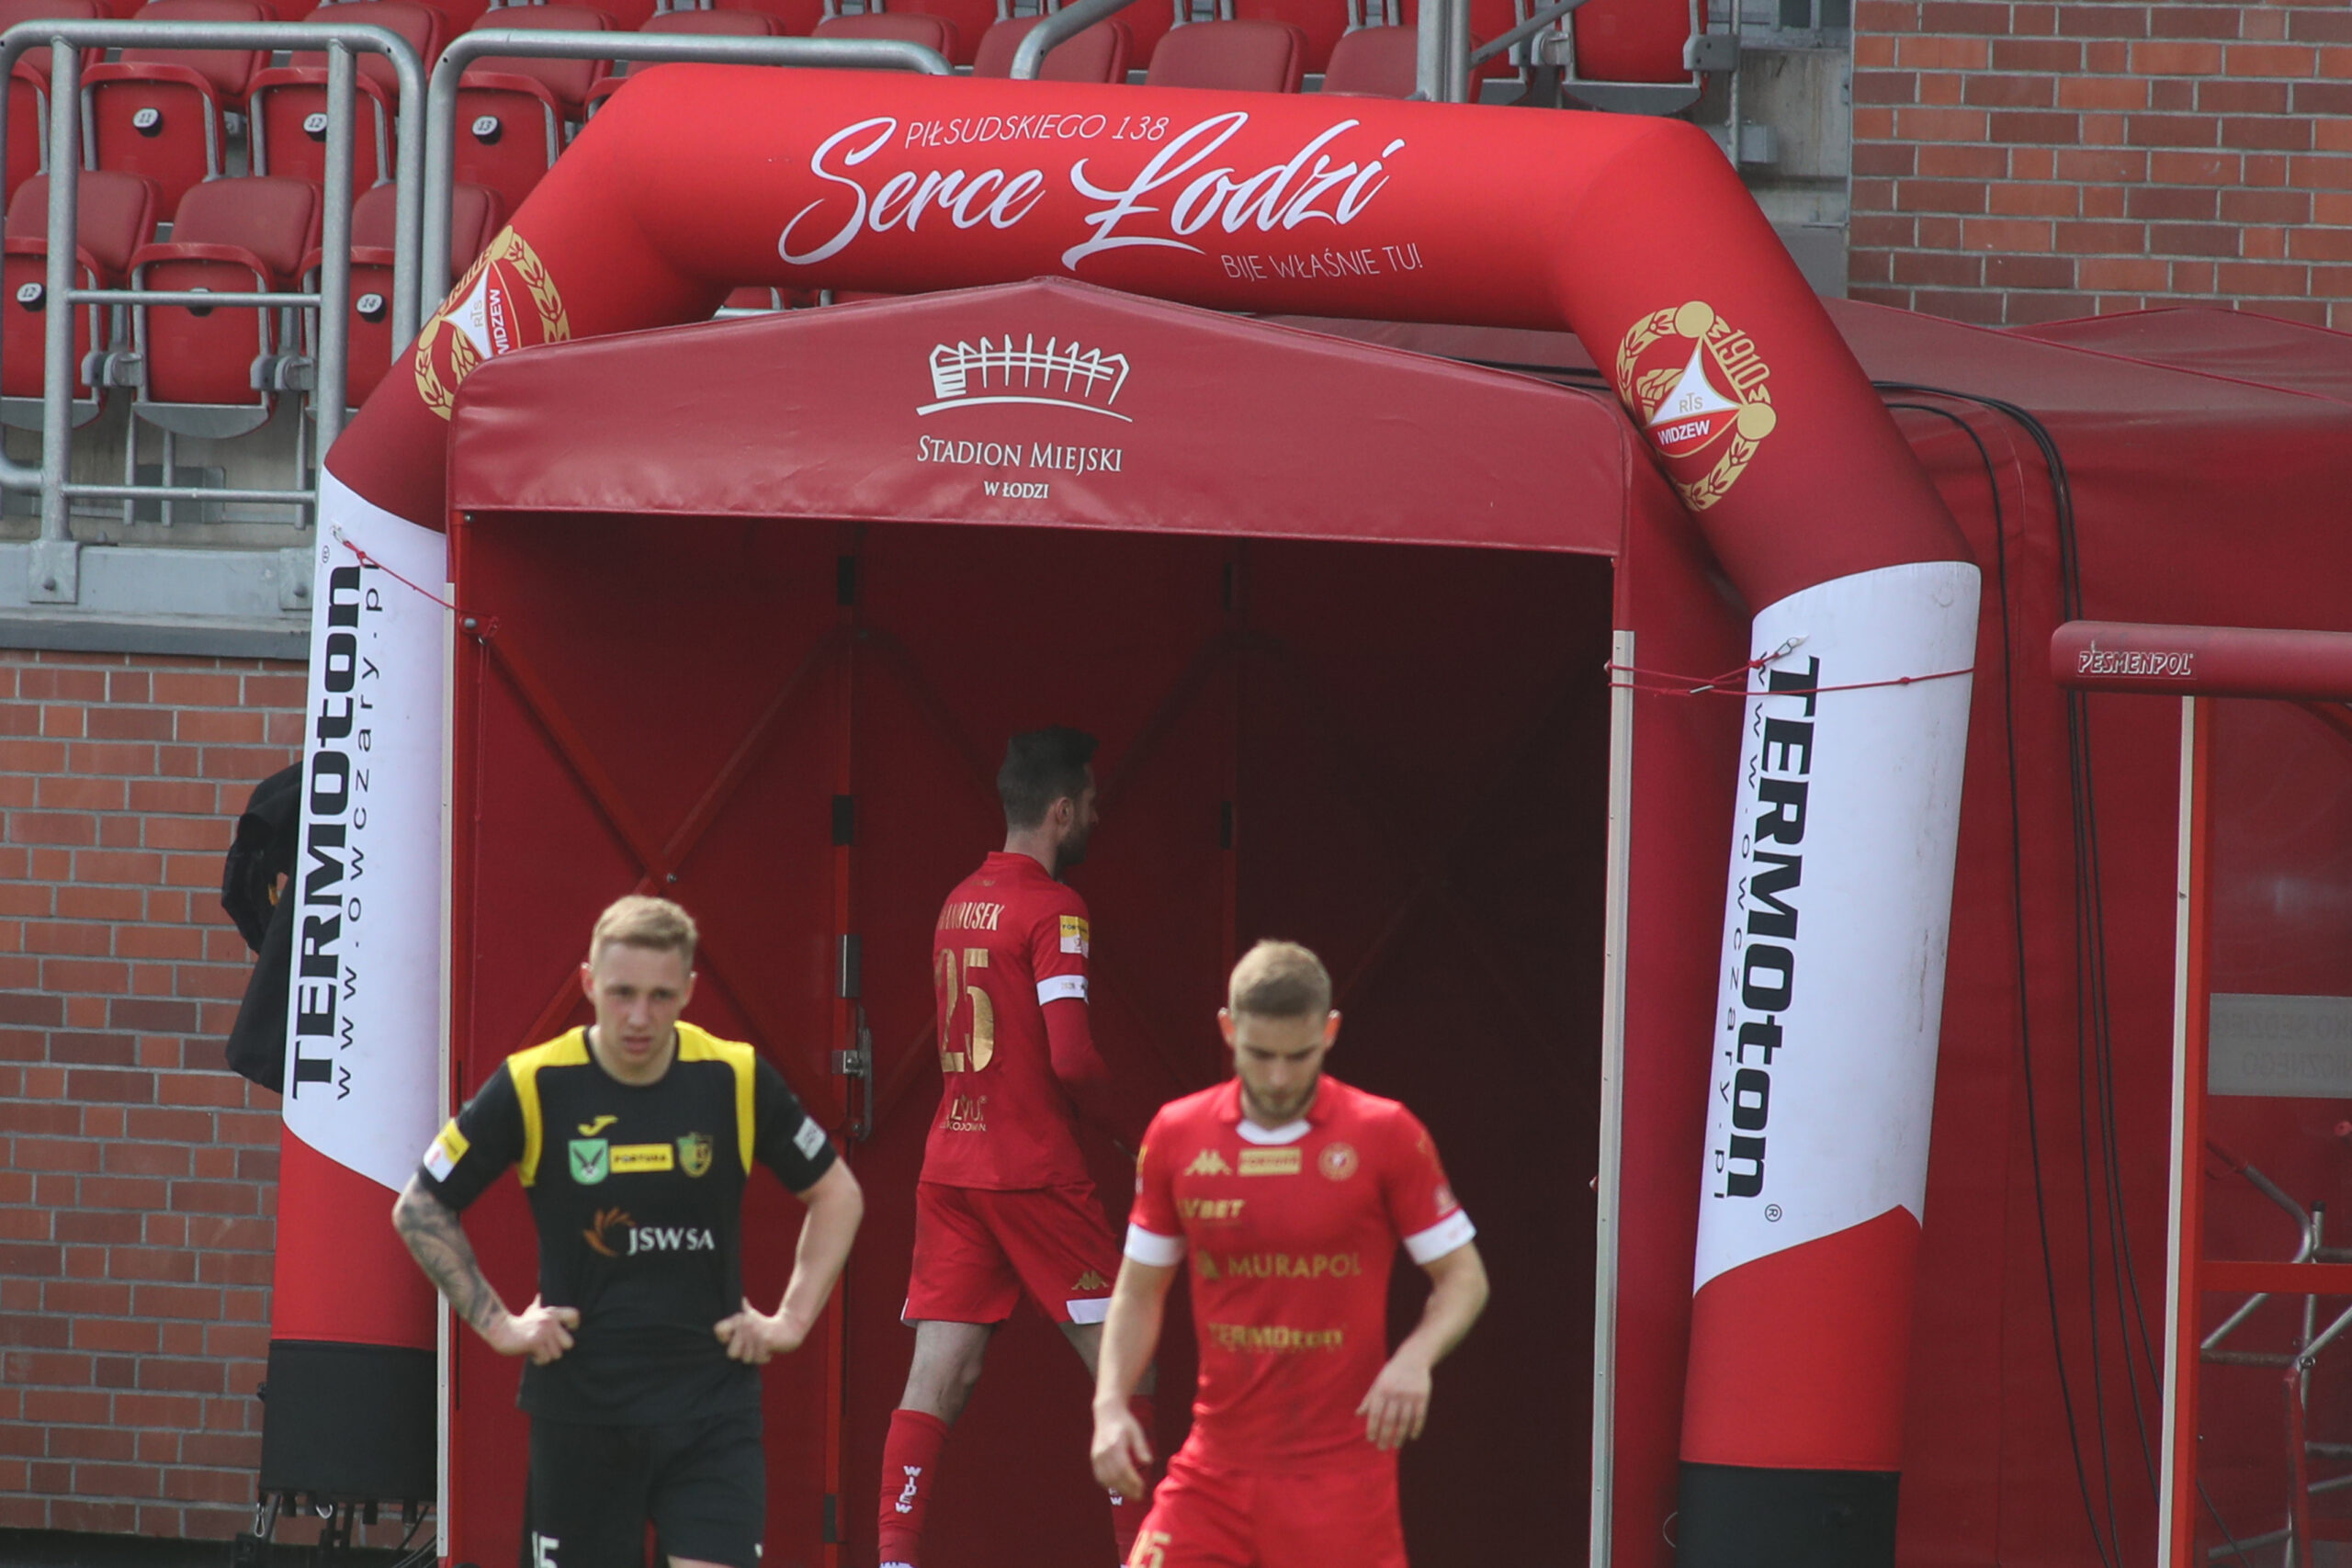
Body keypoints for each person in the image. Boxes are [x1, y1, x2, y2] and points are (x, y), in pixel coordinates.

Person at [391, 895, 865, 1568]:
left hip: (710, 1410)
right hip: (582, 1413)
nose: (640, 1017)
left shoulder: (733, 1076)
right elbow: (420, 1206)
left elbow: (838, 1194)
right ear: (589, 983)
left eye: (660, 996)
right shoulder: (535, 1082)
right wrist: (499, 1325)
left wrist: (791, 1319)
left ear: (689, 991)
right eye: (622, 993)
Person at [1089, 941, 1490, 1568]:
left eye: (1299, 1056)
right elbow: (1139, 1290)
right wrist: (1110, 1404)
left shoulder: (1385, 1132)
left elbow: (1463, 1277)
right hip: (1214, 1470)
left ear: (1330, 1032)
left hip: (1341, 1481)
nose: (1279, 1078)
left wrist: (1415, 1358)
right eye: (1260, 1054)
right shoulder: (1177, 1134)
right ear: (1229, 1029)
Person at [879, 726, 1156, 1568]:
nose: (1098, 816)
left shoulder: (959, 900)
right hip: (1031, 1169)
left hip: (952, 1168)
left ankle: (893, 1559)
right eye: (1092, 803)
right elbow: (1071, 1057)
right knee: (1128, 1366)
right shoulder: (1055, 908)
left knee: (938, 1376)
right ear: (1062, 809)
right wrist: (1137, 1132)